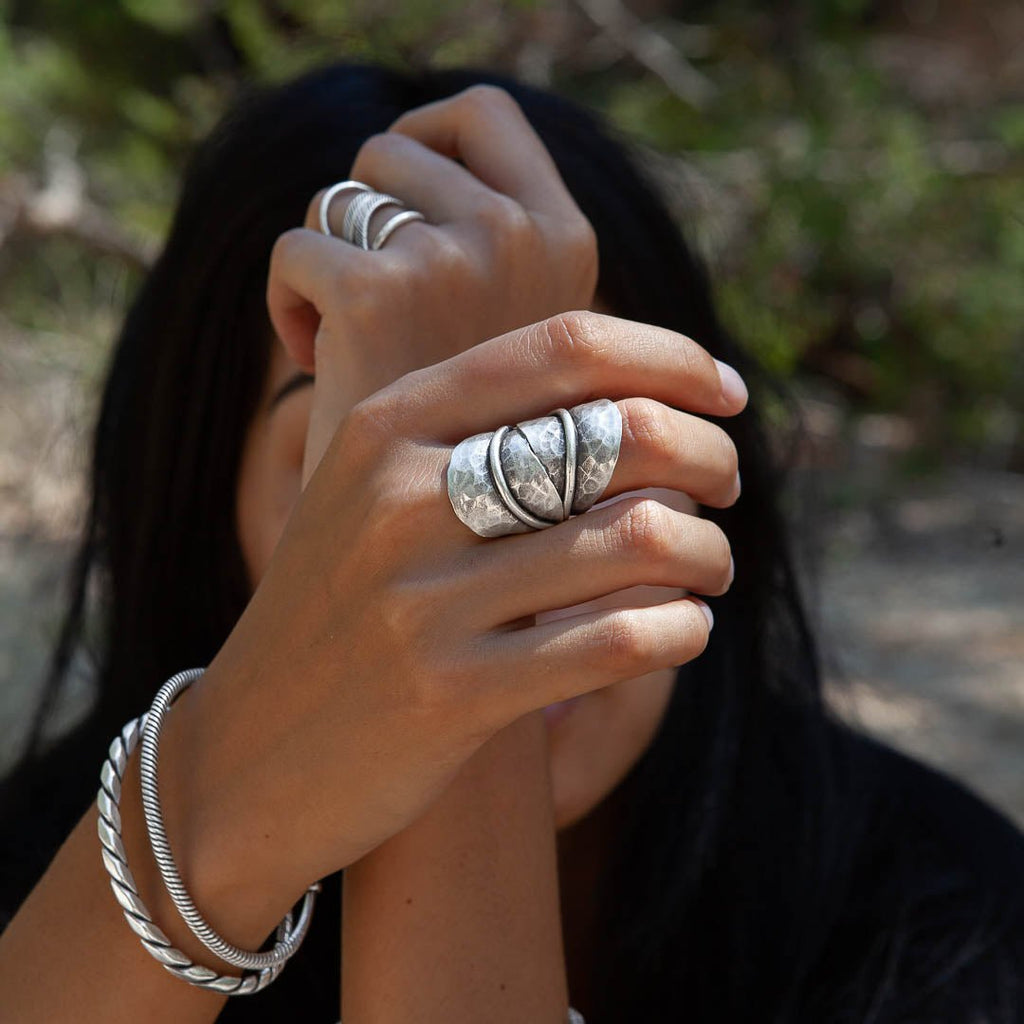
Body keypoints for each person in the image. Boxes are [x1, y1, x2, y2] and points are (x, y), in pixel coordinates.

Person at [1, 62, 1022, 1023]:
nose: (505, 550)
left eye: (587, 436)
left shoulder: (941, 919)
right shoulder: (30, 878)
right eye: (348, 460)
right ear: (201, 513)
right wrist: (219, 798)